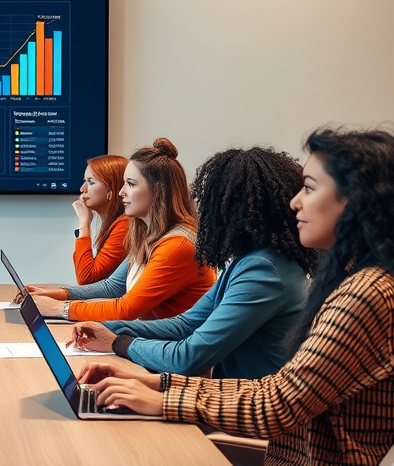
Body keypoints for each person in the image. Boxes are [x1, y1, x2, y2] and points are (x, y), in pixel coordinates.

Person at [82, 128, 394, 466]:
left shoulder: (366, 294)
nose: (295, 202)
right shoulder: (368, 279)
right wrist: (157, 384)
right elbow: (276, 388)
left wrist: (161, 394)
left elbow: (276, 402)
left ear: (359, 201)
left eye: (309, 188)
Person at [69, 147, 316, 379]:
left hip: (242, 409)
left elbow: (188, 357)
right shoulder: (250, 259)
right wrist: (106, 327)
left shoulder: (264, 271)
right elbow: (185, 324)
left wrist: (118, 342)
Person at [32, 138, 215, 322]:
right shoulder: (146, 233)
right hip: (152, 339)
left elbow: (126, 309)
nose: (121, 193)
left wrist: (59, 308)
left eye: (131, 184)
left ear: (159, 192)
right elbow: (112, 287)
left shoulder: (178, 245)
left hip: (170, 345)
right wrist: (53, 295)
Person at [18, 155, 129, 303]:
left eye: (91, 182)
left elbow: (86, 277)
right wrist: (49, 293)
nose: (82, 189)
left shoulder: (125, 225)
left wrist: (84, 222)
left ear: (111, 190)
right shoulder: (114, 224)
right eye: (85, 181)